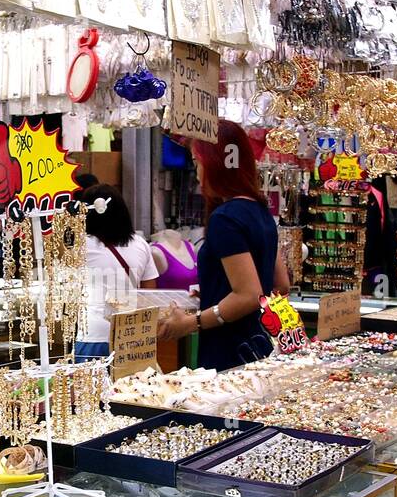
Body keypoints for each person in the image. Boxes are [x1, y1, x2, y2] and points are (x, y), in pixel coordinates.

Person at [157, 121, 288, 369]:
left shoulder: (225, 218)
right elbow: (280, 284)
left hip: (230, 352)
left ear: (215, 163)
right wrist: (216, 292)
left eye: (197, 162)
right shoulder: (260, 212)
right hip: (259, 346)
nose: (196, 172)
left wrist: (192, 322)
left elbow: (248, 295)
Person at [74, 184, 156, 361]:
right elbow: (149, 293)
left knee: (91, 388)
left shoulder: (81, 244)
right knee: (132, 387)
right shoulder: (141, 244)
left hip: (93, 334)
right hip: (131, 335)